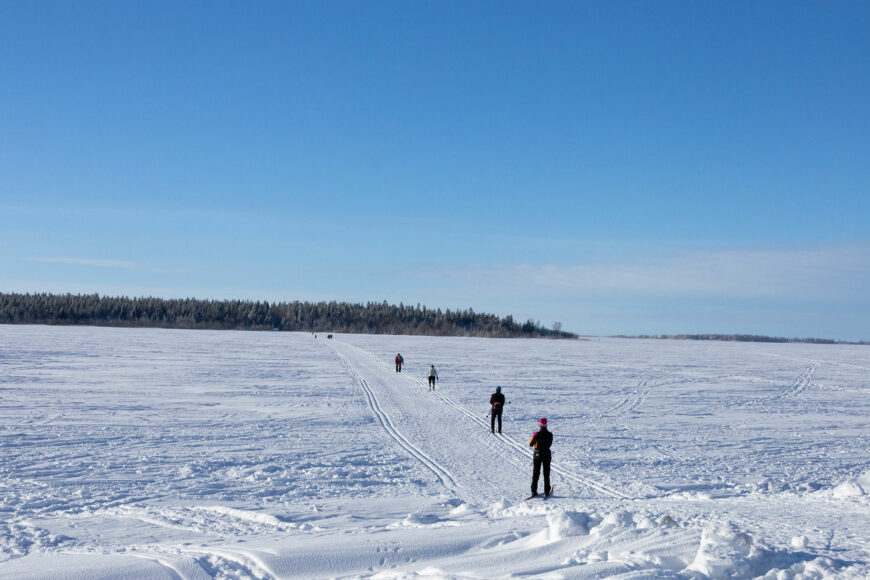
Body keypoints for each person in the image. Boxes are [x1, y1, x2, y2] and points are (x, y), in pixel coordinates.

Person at [529, 418, 553, 498]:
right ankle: (547, 491)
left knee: (536, 473)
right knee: (546, 473)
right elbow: (549, 445)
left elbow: (531, 444)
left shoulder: (537, 434)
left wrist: (533, 436)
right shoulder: (550, 434)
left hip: (537, 455)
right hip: (546, 454)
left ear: (540, 425)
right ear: (546, 425)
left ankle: (533, 491)